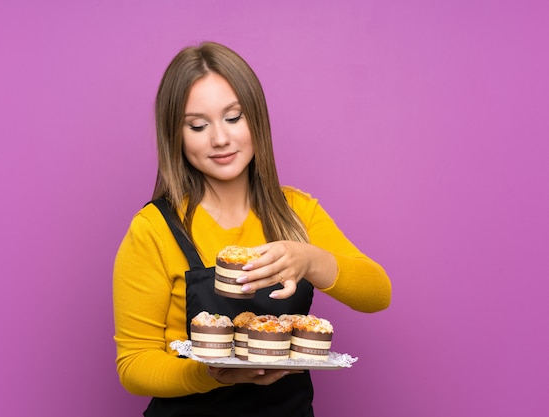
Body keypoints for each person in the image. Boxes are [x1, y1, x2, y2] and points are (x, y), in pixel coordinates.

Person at [113, 41, 392, 417]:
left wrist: (308, 259)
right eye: (197, 125)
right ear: (175, 136)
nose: (220, 139)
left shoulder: (297, 213)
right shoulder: (154, 229)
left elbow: (377, 293)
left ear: (257, 119)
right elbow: (134, 365)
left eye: (234, 117)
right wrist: (214, 375)